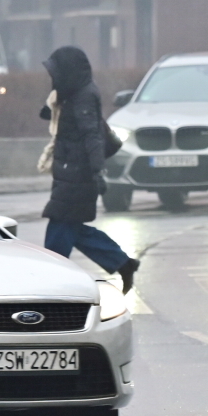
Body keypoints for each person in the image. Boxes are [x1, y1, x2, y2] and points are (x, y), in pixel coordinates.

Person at [38, 45, 138, 293]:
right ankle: (123, 264)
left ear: (68, 71)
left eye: (56, 71)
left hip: (78, 176)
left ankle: (49, 284)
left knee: (59, 231)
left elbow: (91, 136)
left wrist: (98, 172)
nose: (53, 77)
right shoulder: (71, 92)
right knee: (74, 231)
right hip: (70, 173)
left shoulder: (84, 95)